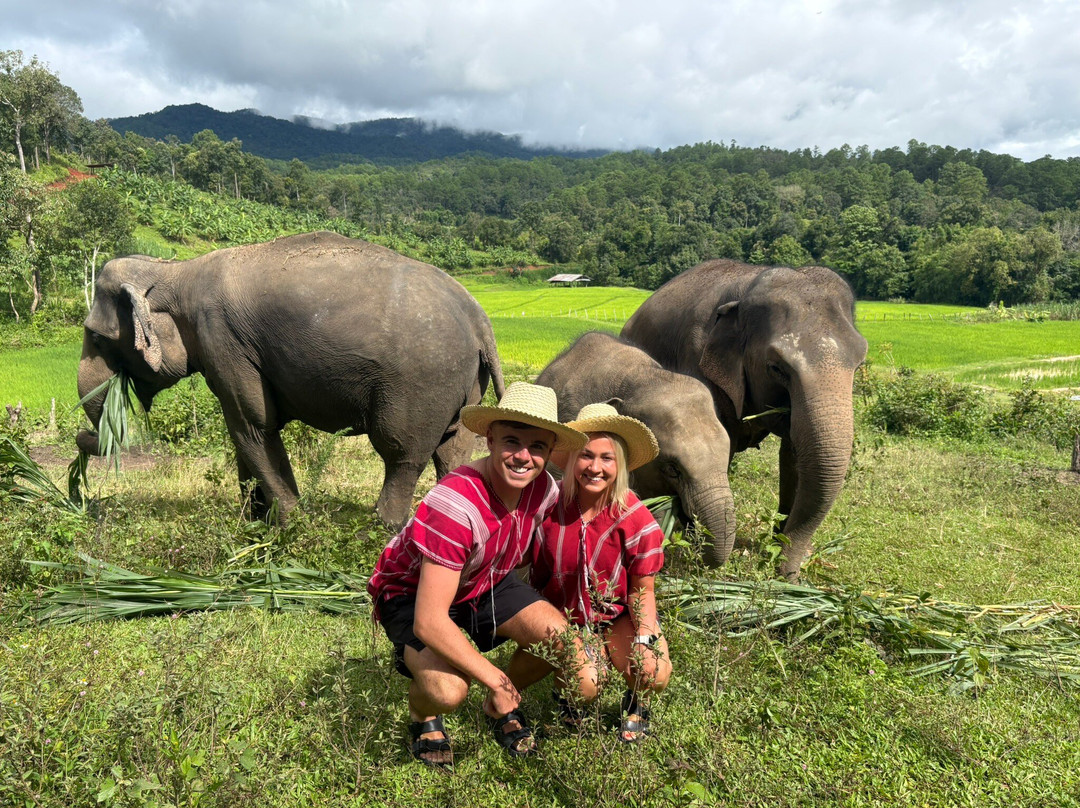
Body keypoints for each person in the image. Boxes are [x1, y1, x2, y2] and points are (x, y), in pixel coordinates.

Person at [367, 382, 593, 768]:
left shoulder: (543, 490)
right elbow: (429, 619)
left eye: (537, 446)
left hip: (483, 580)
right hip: (413, 593)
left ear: (550, 451)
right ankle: (424, 714)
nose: (523, 456)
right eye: (512, 441)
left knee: (574, 656)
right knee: (449, 690)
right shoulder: (454, 505)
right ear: (489, 439)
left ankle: (498, 705)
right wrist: (496, 677)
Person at [530, 402, 672, 743]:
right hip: (565, 615)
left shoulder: (635, 517)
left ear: (619, 464)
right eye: (586, 455)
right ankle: (569, 695)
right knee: (584, 684)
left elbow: (643, 591)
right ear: (572, 459)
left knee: (652, 670)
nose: (595, 467)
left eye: (606, 458)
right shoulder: (551, 509)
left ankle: (638, 701)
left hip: (618, 615)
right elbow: (537, 575)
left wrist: (643, 637)